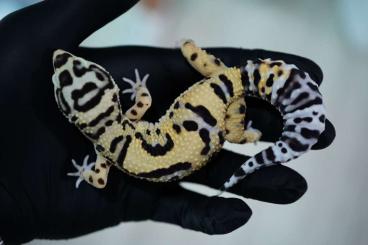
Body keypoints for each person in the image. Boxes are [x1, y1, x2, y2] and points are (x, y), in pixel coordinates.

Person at [0, 0, 335, 244]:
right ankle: (241, 121)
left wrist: (83, 173)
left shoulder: (105, 149)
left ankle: (240, 129)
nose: (62, 59)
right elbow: (142, 100)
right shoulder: (125, 117)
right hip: (207, 108)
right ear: (110, 90)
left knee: (231, 95)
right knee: (226, 80)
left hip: (204, 129)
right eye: (69, 70)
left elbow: (98, 179)